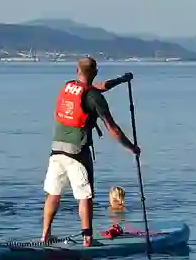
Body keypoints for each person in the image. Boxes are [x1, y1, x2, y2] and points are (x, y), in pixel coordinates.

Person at [42, 57, 139, 246]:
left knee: (53, 193)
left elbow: (97, 87)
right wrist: (132, 147)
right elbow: (113, 128)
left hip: (56, 150)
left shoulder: (68, 86)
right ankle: (88, 238)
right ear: (95, 72)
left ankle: (45, 235)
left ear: (76, 70)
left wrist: (120, 80)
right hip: (77, 151)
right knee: (85, 195)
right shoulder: (95, 98)